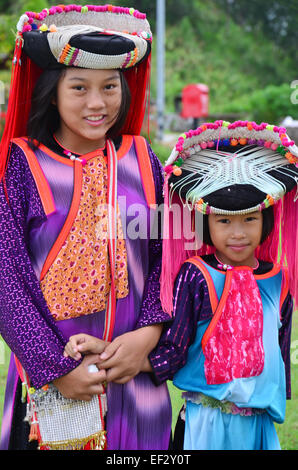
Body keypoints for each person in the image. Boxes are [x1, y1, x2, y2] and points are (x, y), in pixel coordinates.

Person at [0, 5, 172, 450]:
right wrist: (54, 369)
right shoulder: (22, 165)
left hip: (136, 377)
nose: (98, 103)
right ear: (51, 94)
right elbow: (6, 275)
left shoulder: (142, 159)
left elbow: (169, 252)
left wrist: (147, 337)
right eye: (79, 87)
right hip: (53, 384)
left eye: (110, 87)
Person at [151, 121, 297, 450]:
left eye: (249, 219)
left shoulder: (279, 279)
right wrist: (143, 370)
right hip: (205, 421)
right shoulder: (197, 274)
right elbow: (176, 341)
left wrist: (281, 391)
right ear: (206, 223)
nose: (238, 233)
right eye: (224, 221)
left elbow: (281, 345)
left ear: (266, 221)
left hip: (257, 423)